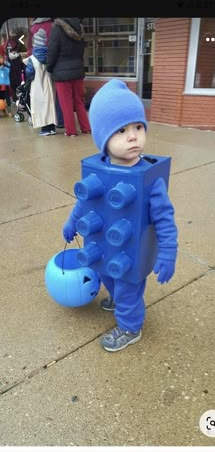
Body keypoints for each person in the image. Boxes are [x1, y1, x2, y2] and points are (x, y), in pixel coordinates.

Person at [62, 79, 178, 352]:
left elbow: (164, 219)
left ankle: (129, 326)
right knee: (108, 276)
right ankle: (118, 300)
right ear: (103, 139)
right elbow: (87, 203)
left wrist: (168, 252)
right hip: (104, 246)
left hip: (131, 251)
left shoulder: (150, 180)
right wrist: (72, 222)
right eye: (121, 130)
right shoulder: (97, 171)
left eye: (139, 127)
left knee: (128, 287)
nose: (133, 136)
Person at [46, 17, 91, 137]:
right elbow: (81, 52)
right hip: (77, 71)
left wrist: (49, 67)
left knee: (66, 104)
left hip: (61, 73)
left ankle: (71, 131)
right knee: (79, 101)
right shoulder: (80, 29)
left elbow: (52, 51)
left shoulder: (57, 29)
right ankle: (86, 128)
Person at [25, 28, 57, 136]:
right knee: (50, 105)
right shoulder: (49, 56)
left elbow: (29, 74)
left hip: (37, 86)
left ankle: (45, 129)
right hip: (49, 85)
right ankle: (52, 128)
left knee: (40, 106)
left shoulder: (32, 59)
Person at [0, 45, 11, 116]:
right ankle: (3, 111)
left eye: (1, 57)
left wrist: (4, 65)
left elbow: (9, 68)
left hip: (6, 85)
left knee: (7, 100)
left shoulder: (6, 64)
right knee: (0, 100)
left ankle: (9, 111)